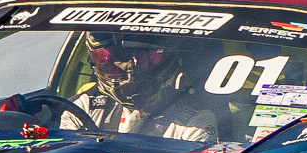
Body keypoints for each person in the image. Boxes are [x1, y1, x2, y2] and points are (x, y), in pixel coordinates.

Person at [72, 40, 230, 142]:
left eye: (139, 61)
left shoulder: (196, 120)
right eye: (112, 64)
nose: (128, 74)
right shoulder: (82, 108)